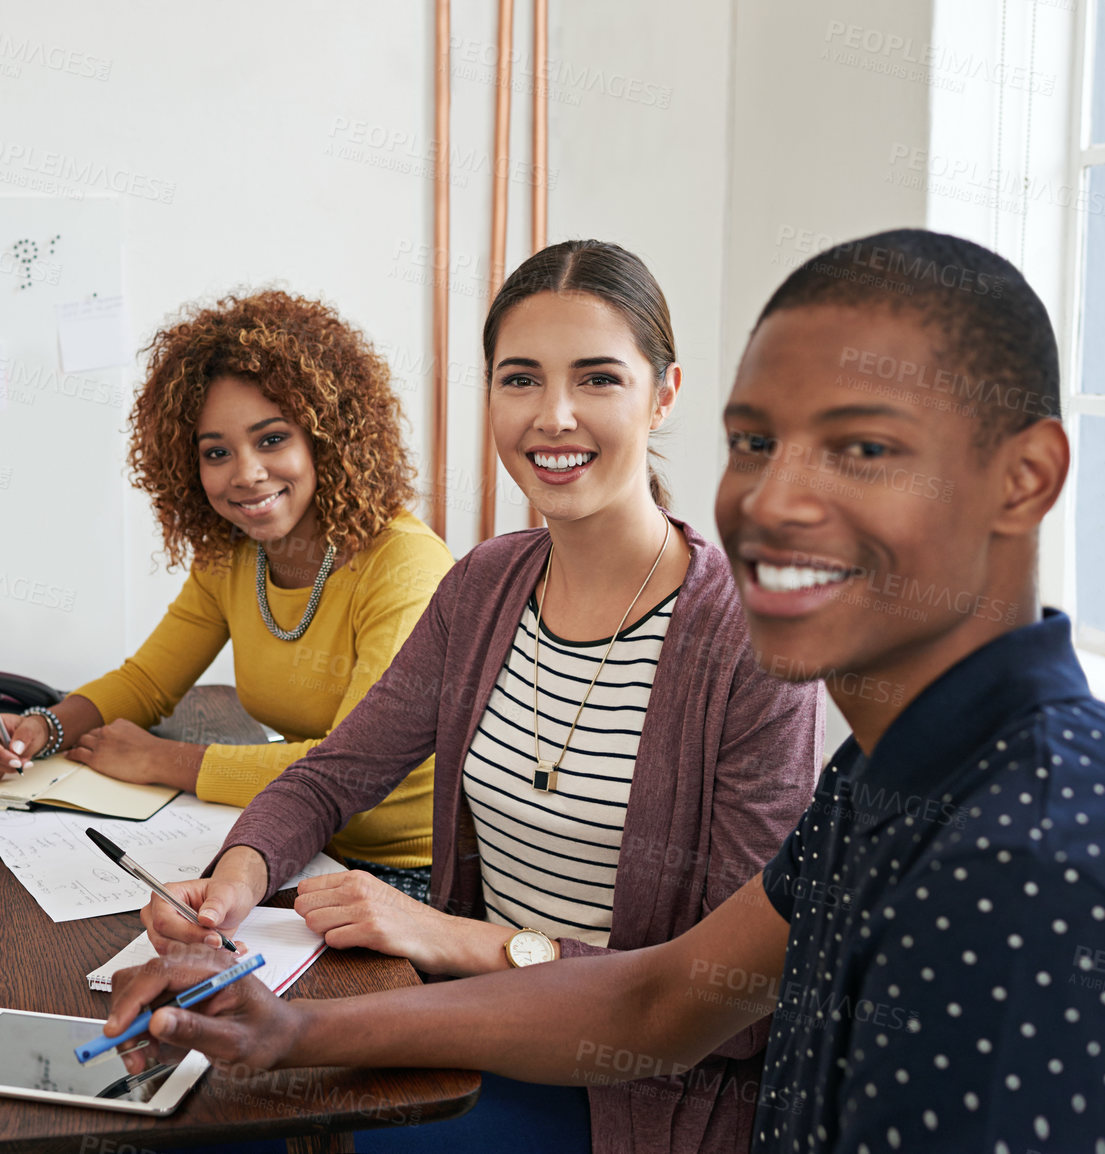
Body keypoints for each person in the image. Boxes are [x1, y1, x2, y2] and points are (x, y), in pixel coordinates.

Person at [107, 230, 1105, 1154]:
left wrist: (449, 942)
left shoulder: (1042, 849)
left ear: (1026, 478)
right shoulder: (887, 766)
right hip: (530, 1029)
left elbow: (692, 1035)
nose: (778, 500)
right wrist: (284, 1015)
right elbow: (667, 996)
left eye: (862, 446)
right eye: (755, 443)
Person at [138, 240, 824, 1154]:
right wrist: (235, 883)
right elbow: (331, 777)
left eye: (598, 380)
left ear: (664, 395)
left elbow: (730, 1004)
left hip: (637, 1093)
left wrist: (458, 940)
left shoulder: (752, 641)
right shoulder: (486, 585)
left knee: (245, 1124)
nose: (555, 417)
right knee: (180, 1100)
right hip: (471, 1026)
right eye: (520, 380)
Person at [0, 290, 451, 888]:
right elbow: (146, 683)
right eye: (217, 452)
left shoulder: (404, 567)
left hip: (410, 870)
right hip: (294, 838)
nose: (246, 474)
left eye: (272, 439)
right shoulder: (231, 557)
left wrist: (164, 760)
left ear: (326, 439)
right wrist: (42, 727)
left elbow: (354, 769)